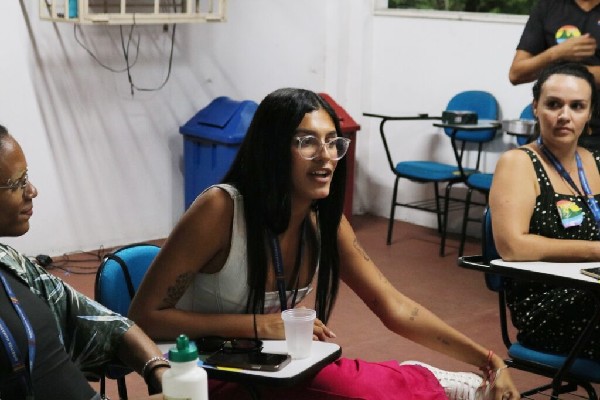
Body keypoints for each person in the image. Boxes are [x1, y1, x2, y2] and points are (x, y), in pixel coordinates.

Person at [129, 88, 519, 400]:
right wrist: (259, 325)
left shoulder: (322, 222)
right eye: (306, 142)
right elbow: (145, 317)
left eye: (333, 142)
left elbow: (394, 306)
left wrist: (488, 360)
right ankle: (426, 384)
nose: (326, 157)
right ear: (272, 148)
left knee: (341, 386)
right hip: (202, 374)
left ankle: (427, 382)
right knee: (346, 390)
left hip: (269, 367)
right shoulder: (220, 209)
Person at [0, 125, 168, 399]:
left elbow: (107, 324)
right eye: (17, 183)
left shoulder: (11, 264)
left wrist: (159, 371)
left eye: (26, 178)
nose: (32, 191)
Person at [490, 62, 600, 360]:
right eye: (553, 104)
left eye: (577, 106)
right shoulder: (519, 163)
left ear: (589, 113)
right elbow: (513, 247)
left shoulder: (595, 160)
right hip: (549, 303)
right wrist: (595, 251)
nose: (565, 115)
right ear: (535, 107)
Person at [508, 0, 600, 149]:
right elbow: (516, 74)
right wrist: (556, 53)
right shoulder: (548, 6)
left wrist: (566, 72)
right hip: (552, 128)